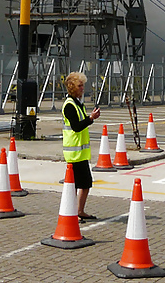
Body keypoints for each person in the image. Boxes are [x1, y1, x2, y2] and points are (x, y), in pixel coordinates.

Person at [62, 71, 101, 220]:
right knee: (76, 184)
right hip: (74, 153)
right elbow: (76, 127)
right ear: (72, 87)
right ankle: (73, 211)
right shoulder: (70, 105)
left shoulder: (78, 104)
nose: (82, 88)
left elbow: (82, 121)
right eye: (79, 86)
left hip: (81, 152)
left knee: (85, 183)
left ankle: (79, 210)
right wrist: (90, 118)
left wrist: (90, 117)